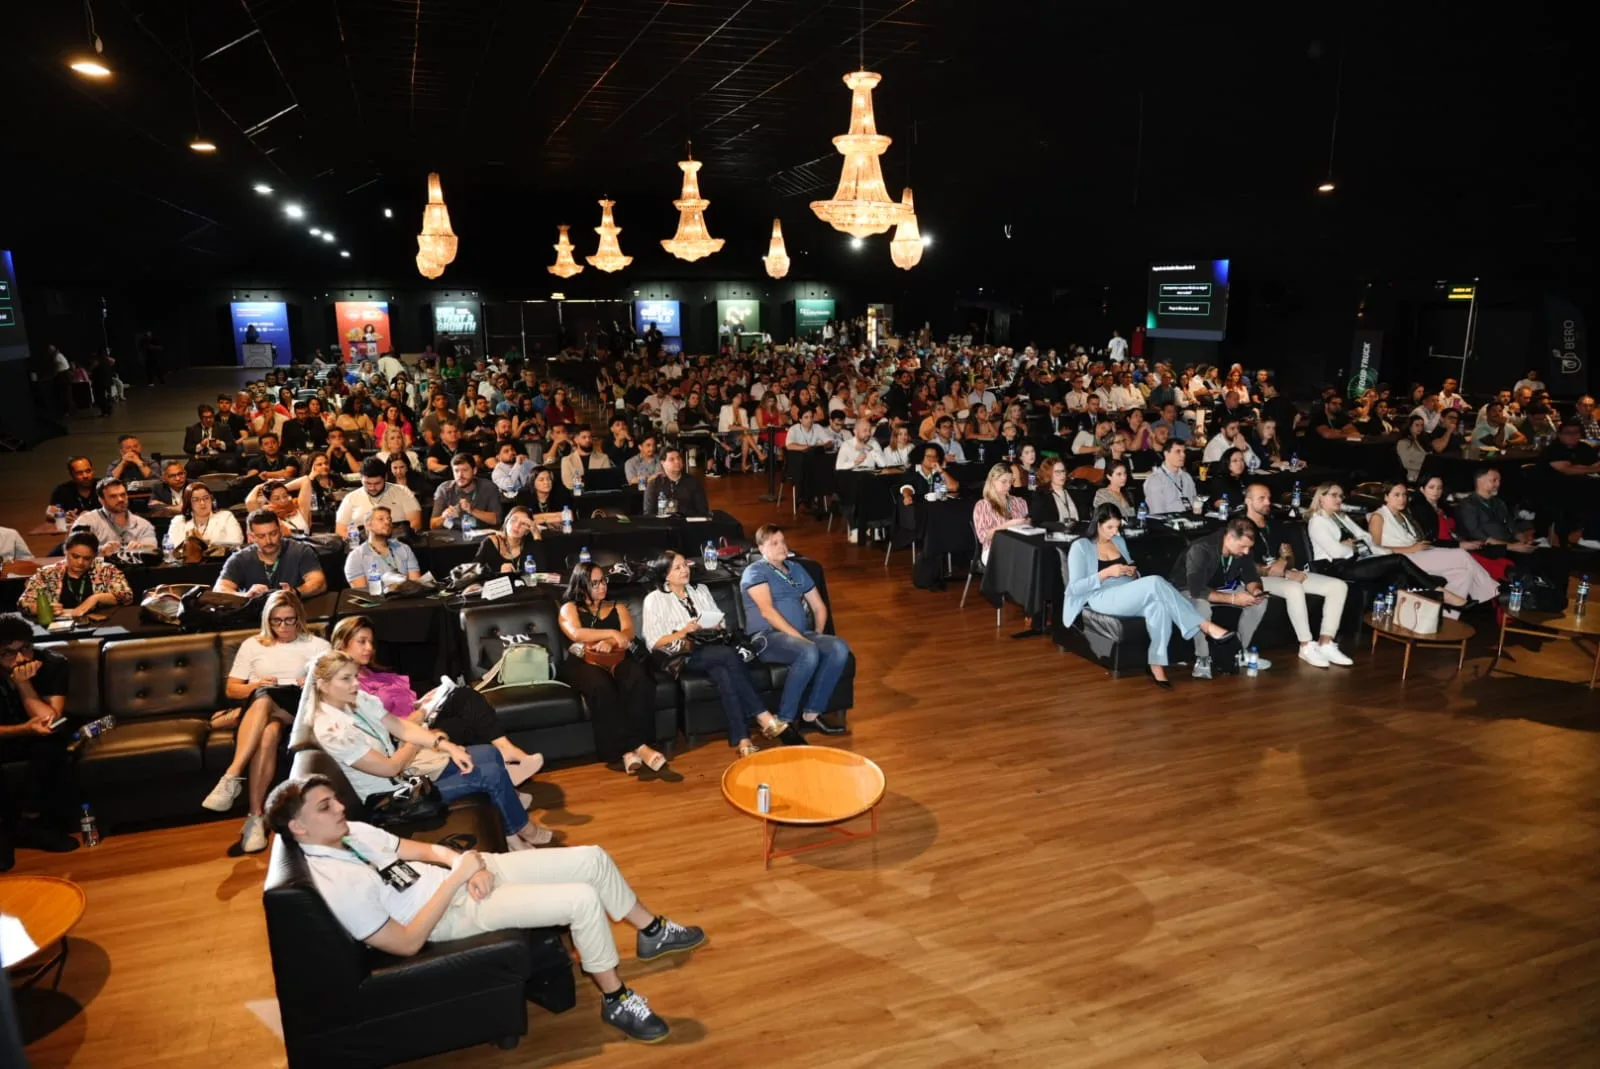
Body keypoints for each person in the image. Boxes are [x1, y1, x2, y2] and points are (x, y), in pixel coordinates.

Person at [264, 774, 702, 1043]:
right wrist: (458, 881)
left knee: (592, 857)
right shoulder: (337, 883)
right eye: (326, 806)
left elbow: (424, 849)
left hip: (468, 877)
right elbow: (406, 943)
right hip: (451, 914)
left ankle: (652, 931)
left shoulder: (351, 832)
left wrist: (464, 865)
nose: (341, 807)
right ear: (299, 827)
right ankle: (616, 998)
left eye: (335, 799)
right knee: (582, 899)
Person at [303, 651, 553, 850]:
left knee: (489, 753)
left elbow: (400, 726)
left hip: (407, 777)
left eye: (355, 676)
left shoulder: (357, 702)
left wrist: (445, 745)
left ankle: (510, 831)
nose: (356, 683)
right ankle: (521, 829)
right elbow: (390, 767)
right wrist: (420, 742)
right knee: (488, 775)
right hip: (393, 799)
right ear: (324, 685)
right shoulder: (331, 730)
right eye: (346, 679)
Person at [202, 591, 331, 852]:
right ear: (267, 620)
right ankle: (255, 817)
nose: (282, 627)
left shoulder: (317, 646)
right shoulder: (253, 644)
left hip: (297, 708)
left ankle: (231, 777)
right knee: (268, 729)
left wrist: (312, 684)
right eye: (276, 621)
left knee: (264, 700)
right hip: (266, 710)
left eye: (289, 620)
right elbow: (232, 690)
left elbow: (331, 686)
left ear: (299, 618)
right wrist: (257, 684)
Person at [1061, 504, 1233, 688]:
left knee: (1158, 607)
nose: (1114, 532)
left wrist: (1133, 573)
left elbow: (1134, 572)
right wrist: (1106, 573)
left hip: (1127, 590)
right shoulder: (1081, 546)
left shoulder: (1118, 542)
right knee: (1156, 582)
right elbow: (1074, 588)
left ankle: (1156, 664)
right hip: (1100, 596)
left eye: (1117, 527)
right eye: (1109, 527)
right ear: (1097, 524)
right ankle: (1204, 625)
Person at [642, 552, 780, 758]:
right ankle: (761, 714)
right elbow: (653, 641)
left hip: (709, 646)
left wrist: (715, 625)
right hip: (683, 653)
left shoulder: (701, 590)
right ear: (665, 575)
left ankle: (742, 739)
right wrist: (684, 631)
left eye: (685, 565)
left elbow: (721, 622)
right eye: (678, 568)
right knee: (726, 655)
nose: (685, 570)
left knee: (723, 672)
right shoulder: (655, 599)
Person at [557, 563, 670, 775]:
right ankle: (636, 748)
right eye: (595, 583)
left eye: (604, 581)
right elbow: (576, 633)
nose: (602, 587)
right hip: (583, 661)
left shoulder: (618, 607)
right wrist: (610, 633)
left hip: (617, 656)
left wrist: (613, 642)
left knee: (638, 678)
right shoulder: (569, 608)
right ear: (581, 586)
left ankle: (631, 750)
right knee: (601, 686)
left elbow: (627, 633)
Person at [740, 525, 849, 738]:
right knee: (807, 651)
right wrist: (804, 641)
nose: (782, 546)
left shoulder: (796, 568)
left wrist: (817, 635)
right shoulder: (755, 571)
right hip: (767, 636)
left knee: (838, 646)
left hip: (799, 634)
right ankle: (784, 720)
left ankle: (811, 714)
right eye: (774, 543)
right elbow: (768, 612)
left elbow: (819, 606)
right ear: (761, 549)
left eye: (783, 541)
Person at [1240, 482, 1353, 669]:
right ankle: (1306, 645)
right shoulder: (1240, 526)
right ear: (1248, 501)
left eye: (1268, 497)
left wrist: (1285, 563)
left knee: (1338, 586)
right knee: (1293, 587)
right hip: (1256, 578)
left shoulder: (1274, 524)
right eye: (1262, 498)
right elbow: (1245, 564)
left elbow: (1290, 554)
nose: (1268, 502)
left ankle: (1326, 642)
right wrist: (1282, 571)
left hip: (1283, 573)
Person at [1, 615, 82, 869]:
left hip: (39, 736)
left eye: (25, 648)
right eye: (8, 653)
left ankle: (30, 822)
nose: (21, 659)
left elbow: (50, 719)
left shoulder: (52, 663)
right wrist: (22, 728)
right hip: (6, 734)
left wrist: (24, 686)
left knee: (52, 738)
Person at [1368, 482, 1498, 606]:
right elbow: (1375, 549)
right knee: (1461, 554)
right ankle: (1493, 591)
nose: (1402, 499)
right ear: (1386, 497)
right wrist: (1410, 548)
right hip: (1404, 559)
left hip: (1417, 553)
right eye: (1396, 495)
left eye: (1404, 495)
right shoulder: (1378, 517)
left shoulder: (1403, 515)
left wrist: (1420, 545)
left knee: (1464, 574)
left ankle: (1448, 616)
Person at [1170, 518, 1272, 676]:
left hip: (1220, 588)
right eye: (1243, 546)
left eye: (1248, 547)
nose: (1246, 551)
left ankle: (1240, 653)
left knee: (1259, 603)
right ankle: (1202, 658)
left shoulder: (1241, 550)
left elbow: (1251, 576)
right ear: (1229, 538)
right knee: (1201, 606)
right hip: (1187, 590)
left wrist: (1256, 591)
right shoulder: (1201, 548)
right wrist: (1233, 599)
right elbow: (1197, 590)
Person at [1305, 483, 1450, 593]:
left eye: (1341, 496)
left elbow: (1367, 537)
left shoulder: (1341, 517)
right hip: (1336, 567)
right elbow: (1337, 553)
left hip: (1357, 560)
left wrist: (1351, 544)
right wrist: (1352, 546)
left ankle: (1403, 612)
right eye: (1334, 495)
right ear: (1321, 498)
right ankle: (1438, 590)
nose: (1339, 499)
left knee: (1398, 575)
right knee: (1398, 559)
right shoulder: (1318, 521)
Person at [15, 530, 132, 619]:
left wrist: (96, 598)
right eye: (75, 556)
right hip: (59, 627)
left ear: (95, 556)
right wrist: (42, 608)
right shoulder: (47, 573)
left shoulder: (106, 570)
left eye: (87, 558)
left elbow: (127, 596)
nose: (80, 562)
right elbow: (23, 603)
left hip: (99, 626)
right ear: (65, 551)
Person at [216, 509, 328, 597]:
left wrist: (295, 592)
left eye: (273, 534)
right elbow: (220, 589)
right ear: (251, 537)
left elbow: (319, 582)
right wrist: (245, 596)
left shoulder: (300, 551)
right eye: (261, 536)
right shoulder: (239, 559)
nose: (269, 541)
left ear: (280, 532)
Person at [1455, 468, 1538, 554]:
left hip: (1510, 546)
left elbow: (1512, 527)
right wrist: (1511, 547)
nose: (1498, 484)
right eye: (1493, 480)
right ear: (1479, 481)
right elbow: (1477, 535)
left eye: (1499, 480)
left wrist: (1525, 542)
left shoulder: (1499, 502)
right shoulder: (1469, 504)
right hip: (1489, 550)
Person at [336, 457, 425, 538]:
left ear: (385, 477)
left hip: (397, 543)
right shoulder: (351, 498)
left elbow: (415, 524)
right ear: (361, 478)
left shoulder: (402, 492)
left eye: (377, 483)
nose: (372, 488)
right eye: (368, 483)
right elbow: (340, 530)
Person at [71, 478, 158, 555]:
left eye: (123, 495)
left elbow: (153, 550)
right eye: (113, 496)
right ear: (101, 500)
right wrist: (101, 551)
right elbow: (75, 550)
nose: (120, 499)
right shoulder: (86, 521)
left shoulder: (143, 524)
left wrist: (142, 548)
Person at [344, 507, 423, 591]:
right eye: (381, 519)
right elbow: (362, 593)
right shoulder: (356, 556)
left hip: (406, 600)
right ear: (368, 526)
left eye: (389, 519)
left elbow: (415, 584)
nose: (387, 522)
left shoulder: (404, 548)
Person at [973, 465, 1030, 565]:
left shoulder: (1019, 502)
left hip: (1019, 545)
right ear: (992, 481)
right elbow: (983, 536)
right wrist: (1007, 525)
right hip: (994, 548)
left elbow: (1028, 524)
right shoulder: (983, 505)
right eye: (1004, 481)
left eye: (1010, 481)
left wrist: (1027, 523)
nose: (1008, 486)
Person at [430, 453, 503, 530]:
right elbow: (432, 525)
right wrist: (443, 517)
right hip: (453, 536)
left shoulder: (489, 487)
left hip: (481, 534)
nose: (460, 475)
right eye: (456, 471)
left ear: (474, 471)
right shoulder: (444, 489)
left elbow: (496, 520)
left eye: (464, 470)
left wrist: (472, 510)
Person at [166, 481, 243, 552]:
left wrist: (204, 543)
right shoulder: (178, 521)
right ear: (188, 502)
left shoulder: (226, 516)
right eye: (196, 500)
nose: (202, 503)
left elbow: (236, 542)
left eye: (206, 498)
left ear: (211, 499)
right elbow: (173, 547)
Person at [642, 447, 709, 517]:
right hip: (663, 525)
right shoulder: (654, 484)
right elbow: (648, 514)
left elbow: (703, 510)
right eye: (672, 459)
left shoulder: (694, 482)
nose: (677, 461)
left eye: (679, 458)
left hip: (688, 524)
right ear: (662, 463)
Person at [475, 506, 542, 575]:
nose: (517, 525)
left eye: (523, 523)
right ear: (506, 522)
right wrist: (499, 573)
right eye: (514, 520)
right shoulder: (490, 542)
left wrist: (535, 531)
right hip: (497, 584)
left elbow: (541, 570)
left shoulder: (530, 544)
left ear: (527, 531)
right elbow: (473, 572)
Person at [1143, 440, 1198, 515]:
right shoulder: (1155, 479)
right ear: (1166, 454)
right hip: (1168, 522)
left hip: (1190, 520)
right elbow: (1157, 513)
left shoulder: (1187, 477)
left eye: (1184, 451)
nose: (1183, 455)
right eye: (1178, 451)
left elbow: (1195, 502)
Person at [244, 479, 311, 536]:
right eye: (277, 498)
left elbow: (305, 480)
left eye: (285, 496)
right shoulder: (266, 515)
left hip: (304, 548)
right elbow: (249, 501)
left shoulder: (299, 507)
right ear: (269, 501)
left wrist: (280, 488)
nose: (283, 500)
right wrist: (259, 486)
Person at [559, 424, 616, 489]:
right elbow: (568, 484)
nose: (588, 440)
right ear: (576, 440)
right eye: (584, 437)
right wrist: (590, 483)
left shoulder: (603, 458)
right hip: (576, 496)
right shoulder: (567, 460)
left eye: (590, 437)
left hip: (598, 496)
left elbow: (606, 481)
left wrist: (581, 480)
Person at [47, 456, 99, 526]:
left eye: (88, 471)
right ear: (71, 474)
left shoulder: (104, 486)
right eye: (79, 473)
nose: (85, 476)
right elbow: (50, 512)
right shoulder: (62, 490)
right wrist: (62, 516)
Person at [1031, 456, 1080, 523]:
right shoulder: (1041, 496)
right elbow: (1039, 522)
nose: (1062, 475)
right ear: (1048, 474)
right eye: (1057, 472)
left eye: (1063, 471)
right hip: (1055, 532)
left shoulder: (1075, 493)